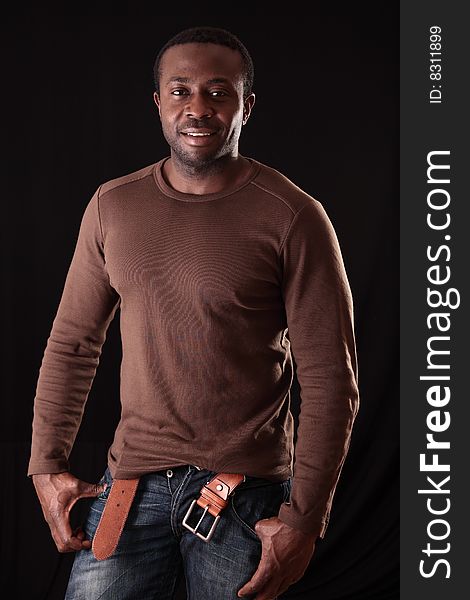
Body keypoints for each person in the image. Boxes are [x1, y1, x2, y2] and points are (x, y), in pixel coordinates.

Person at [28, 26, 360, 600]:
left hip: (243, 496)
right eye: (180, 91)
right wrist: (45, 466)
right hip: (129, 489)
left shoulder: (294, 216)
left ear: (246, 106)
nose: (197, 109)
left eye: (218, 92)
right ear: (158, 102)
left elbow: (332, 380)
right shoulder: (113, 206)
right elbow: (73, 344)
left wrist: (304, 521)